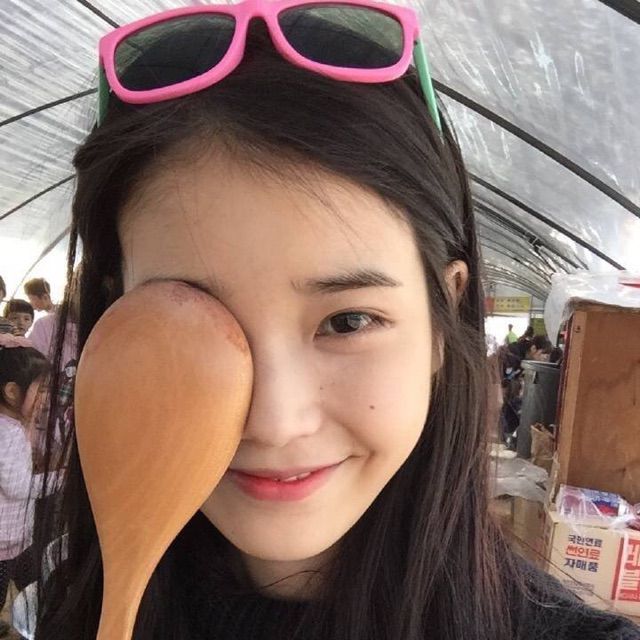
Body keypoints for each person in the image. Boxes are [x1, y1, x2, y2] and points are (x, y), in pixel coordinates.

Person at [33, 4, 639, 639]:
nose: (274, 422)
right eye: (196, 328)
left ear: (443, 316)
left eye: (348, 321)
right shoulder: (75, 611)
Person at [0, 335, 54, 637]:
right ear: (12, 392)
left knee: (31, 579)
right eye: (41, 389)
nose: (46, 397)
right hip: (4, 540)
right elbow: (19, 488)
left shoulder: (13, 426)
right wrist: (60, 479)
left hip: (15, 537)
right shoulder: (6, 434)